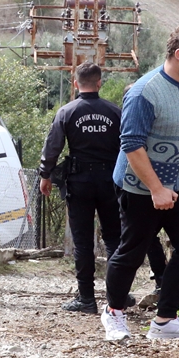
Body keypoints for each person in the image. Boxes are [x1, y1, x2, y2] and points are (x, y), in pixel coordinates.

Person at [101, 25, 179, 342]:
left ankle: (165, 321)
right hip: (139, 187)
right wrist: (155, 189)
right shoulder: (144, 93)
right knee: (132, 251)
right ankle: (113, 313)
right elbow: (131, 144)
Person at [38, 63, 127, 313]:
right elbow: (129, 145)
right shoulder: (114, 112)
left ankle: (87, 299)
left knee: (83, 241)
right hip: (111, 180)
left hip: (79, 182)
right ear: (100, 83)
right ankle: (118, 297)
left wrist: (45, 175)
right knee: (114, 239)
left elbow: (53, 146)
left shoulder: (67, 111)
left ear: (76, 83)